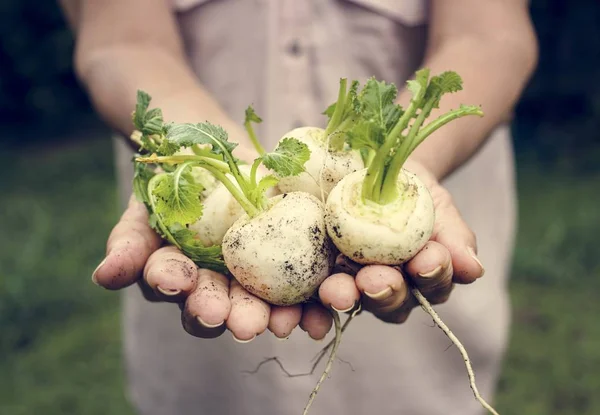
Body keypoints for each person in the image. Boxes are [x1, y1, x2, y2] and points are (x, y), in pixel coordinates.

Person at [58, 0, 538, 414]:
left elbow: (489, 35)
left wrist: (408, 164)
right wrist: (194, 152)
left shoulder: (356, 177)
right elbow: (122, 41)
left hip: (432, 205)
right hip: (206, 349)